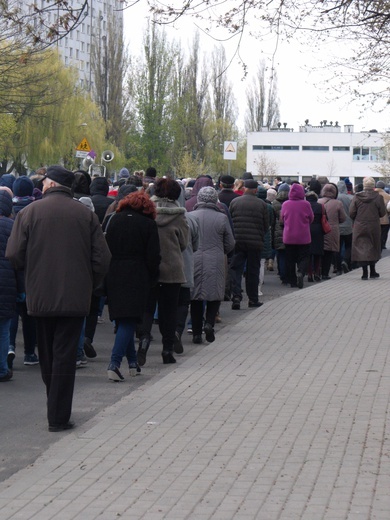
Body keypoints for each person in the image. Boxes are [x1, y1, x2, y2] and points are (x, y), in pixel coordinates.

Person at [6, 165, 111, 431]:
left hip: (40, 294)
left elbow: (15, 255)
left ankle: (55, 404)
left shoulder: (29, 213)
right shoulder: (85, 215)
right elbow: (103, 258)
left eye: (44, 183)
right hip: (75, 296)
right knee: (64, 355)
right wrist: (89, 283)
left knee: (47, 353)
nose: (40, 186)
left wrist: (32, 273)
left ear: (52, 185)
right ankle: (58, 415)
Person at [105, 191, 161, 381]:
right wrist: (153, 277)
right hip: (138, 274)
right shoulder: (148, 224)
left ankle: (132, 363)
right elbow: (153, 256)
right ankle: (114, 363)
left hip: (114, 272)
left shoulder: (114, 220)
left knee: (123, 320)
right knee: (130, 320)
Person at [138, 178, 189, 365]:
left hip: (148, 268)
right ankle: (167, 350)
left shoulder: (145, 211)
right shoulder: (180, 215)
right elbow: (184, 243)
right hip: (173, 269)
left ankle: (143, 341)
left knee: (146, 308)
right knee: (169, 312)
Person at [190, 186, 235, 344]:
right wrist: (221, 250)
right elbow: (230, 243)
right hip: (215, 258)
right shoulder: (221, 218)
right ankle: (209, 323)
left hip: (194, 258)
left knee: (195, 296)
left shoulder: (191, 216)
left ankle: (196, 332)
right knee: (214, 293)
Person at [229, 179, 269, 309]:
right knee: (253, 271)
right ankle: (253, 299)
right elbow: (266, 225)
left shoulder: (234, 202)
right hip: (255, 242)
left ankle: (236, 296)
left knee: (236, 269)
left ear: (244, 188)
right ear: (256, 190)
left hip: (238, 241)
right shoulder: (261, 204)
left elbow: (230, 220)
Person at [0, 191, 22, 382]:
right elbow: (18, 257)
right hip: (6, 282)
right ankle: (2, 368)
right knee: (3, 329)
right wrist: (21, 288)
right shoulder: (12, 226)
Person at [349, 176, 386, 280]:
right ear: (373, 185)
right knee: (374, 246)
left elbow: (351, 212)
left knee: (361, 247)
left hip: (360, 225)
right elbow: (382, 213)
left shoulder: (357, 197)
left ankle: (364, 272)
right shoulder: (378, 197)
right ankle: (373, 271)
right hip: (374, 225)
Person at [280, 183, 314, 288]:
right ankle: (301, 271)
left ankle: (293, 281)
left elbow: (282, 219)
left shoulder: (285, 204)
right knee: (304, 257)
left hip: (289, 236)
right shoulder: (306, 204)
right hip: (303, 236)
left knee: (289, 259)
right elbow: (311, 218)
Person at [318, 183, 346, 280]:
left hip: (320, 230)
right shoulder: (338, 203)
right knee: (329, 253)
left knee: (320, 251)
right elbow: (343, 218)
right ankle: (325, 273)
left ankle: (318, 271)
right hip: (332, 230)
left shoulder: (319, 201)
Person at [305, 191, 324, 282]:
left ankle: (309, 274)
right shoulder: (320, 206)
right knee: (317, 253)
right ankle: (317, 273)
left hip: (306, 229)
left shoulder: (305, 206)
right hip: (318, 230)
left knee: (308, 253)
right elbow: (325, 218)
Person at [336, 180, 354, 273]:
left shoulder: (335, 198)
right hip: (348, 226)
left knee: (337, 248)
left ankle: (338, 268)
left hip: (337, 226)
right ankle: (346, 260)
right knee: (348, 246)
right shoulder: (350, 198)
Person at [375, 180, 390, 249]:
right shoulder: (388, 196)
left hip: (373, 219)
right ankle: (382, 245)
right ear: (383, 187)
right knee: (384, 233)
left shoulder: (372, 194)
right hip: (385, 218)